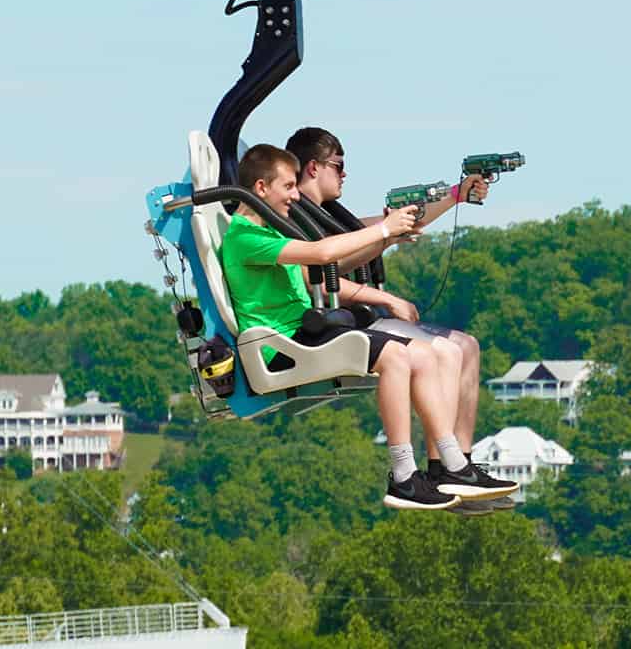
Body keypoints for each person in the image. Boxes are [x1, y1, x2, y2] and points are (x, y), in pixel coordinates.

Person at [220, 143, 517, 511]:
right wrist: (384, 231)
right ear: (262, 189)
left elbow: (328, 258)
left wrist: (389, 231)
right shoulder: (246, 238)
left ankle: (452, 465)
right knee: (395, 356)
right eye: (287, 187)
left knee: (421, 355)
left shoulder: (270, 235)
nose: (294, 196)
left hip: (306, 331)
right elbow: (324, 254)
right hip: (284, 346)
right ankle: (404, 476)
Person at [284, 127, 497, 498]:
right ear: (314, 168)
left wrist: (453, 197)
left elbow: (369, 234)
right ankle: (443, 468)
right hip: (342, 319)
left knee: (468, 344)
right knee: (446, 350)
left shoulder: (328, 212)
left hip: (357, 313)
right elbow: (319, 269)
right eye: (339, 165)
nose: (345, 174)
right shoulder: (296, 217)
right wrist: (383, 288)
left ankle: (460, 459)